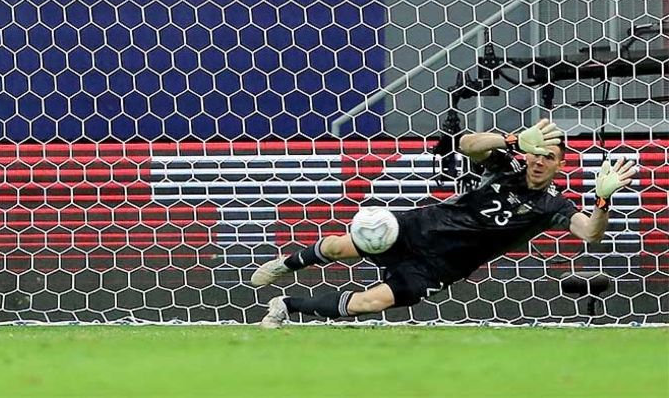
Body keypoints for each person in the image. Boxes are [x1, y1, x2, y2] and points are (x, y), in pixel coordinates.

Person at [253, 118, 637, 328]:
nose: (540, 161)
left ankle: (286, 305)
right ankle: (284, 266)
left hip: (442, 266)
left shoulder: (553, 206)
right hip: (418, 228)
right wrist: (513, 138)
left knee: (369, 303)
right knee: (342, 246)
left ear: (559, 165)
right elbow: (467, 144)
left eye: (549, 157)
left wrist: (603, 201)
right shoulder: (503, 167)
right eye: (537, 153)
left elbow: (590, 233)